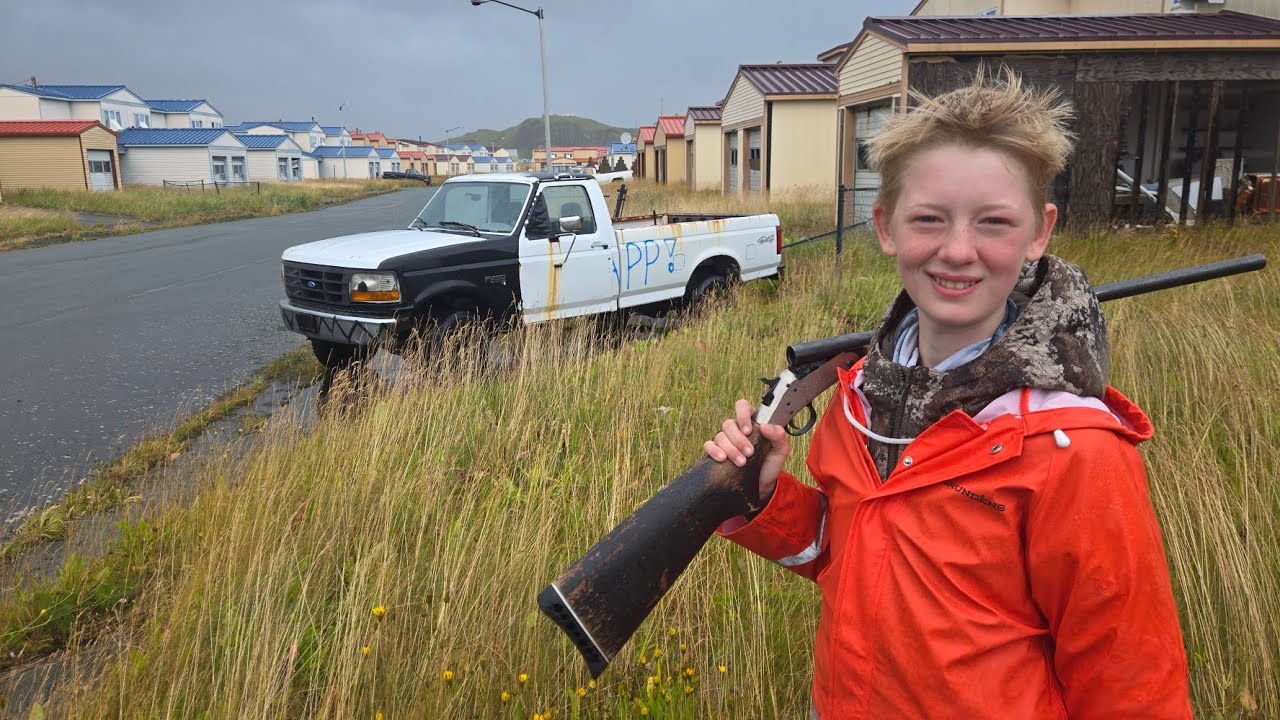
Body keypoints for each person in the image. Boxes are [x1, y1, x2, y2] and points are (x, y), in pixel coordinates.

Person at [704, 69, 1192, 719]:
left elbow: (1131, 685)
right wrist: (767, 498)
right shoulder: (858, 401)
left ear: (1039, 232)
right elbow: (849, 558)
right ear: (886, 227)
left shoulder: (1076, 451)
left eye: (993, 222)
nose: (958, 251)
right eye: (929, 219)